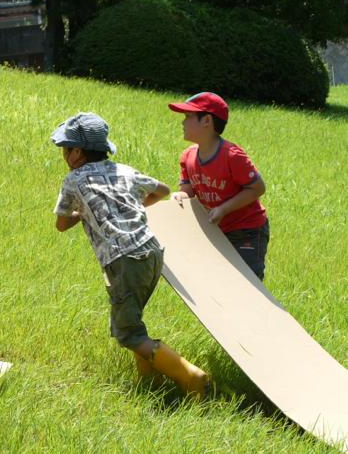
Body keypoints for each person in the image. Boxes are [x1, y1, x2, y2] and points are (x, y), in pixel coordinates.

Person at [52, 112, 208, 396]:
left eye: (65, 149)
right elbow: (162, 190)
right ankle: (150, 383)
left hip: (123, 261)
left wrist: (84, 211)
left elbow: (61, 224)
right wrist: (131, 206)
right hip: (152, 253)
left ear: (77, 153)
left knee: (127, 333)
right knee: (134, 322)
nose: (64, 155)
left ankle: (190, 376)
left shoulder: (73, 180)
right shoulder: (123, 170)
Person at [168, 92, 269, 280]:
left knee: (247, 284)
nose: (183, 122)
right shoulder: (188, 156)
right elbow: (187, 192)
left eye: (188, 117)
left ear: (207, 121)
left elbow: (257, 188)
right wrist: (179, 196)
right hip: (216, 230)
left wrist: (223, 209)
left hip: (246, 230)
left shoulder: (232, 156)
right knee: (218, 281)